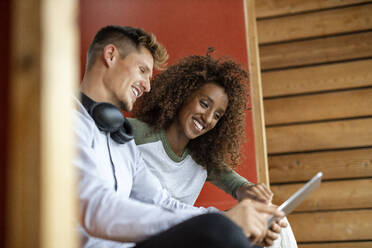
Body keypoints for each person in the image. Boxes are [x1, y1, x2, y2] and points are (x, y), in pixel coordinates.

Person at [75, 25, 285, 248]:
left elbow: (162, 201)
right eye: (143, 70)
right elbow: (97, 210)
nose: (147, 86)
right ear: (110, 55)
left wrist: (234, 220)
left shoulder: (122, 142)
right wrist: (218, 224)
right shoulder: (64, 123)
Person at [130, 52, 298, 248]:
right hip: (144, 238)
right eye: (204, 104)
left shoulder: (203, 159)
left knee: (277, 225)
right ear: (183, 95)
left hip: (187, 239)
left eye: (217, 115)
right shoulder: (134, 132)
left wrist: (255, 197)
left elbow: (240, 187)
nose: (208, 118)